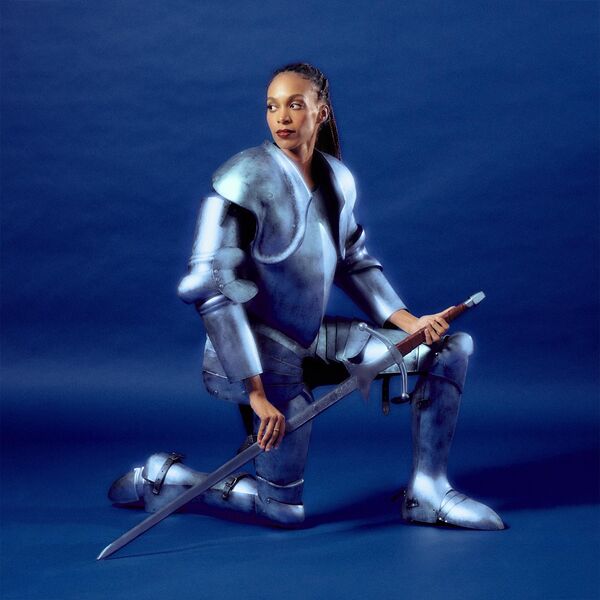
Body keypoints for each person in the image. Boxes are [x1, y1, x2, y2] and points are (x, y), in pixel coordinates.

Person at [108, 63, 504, 530]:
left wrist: (410, 323)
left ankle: (427, 491)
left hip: (313, 337)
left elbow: (354, 261)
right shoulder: (241, 179)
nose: (282, 117)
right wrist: (256, 394)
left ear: (321, 112)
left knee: (448, 349)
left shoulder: (337, 178)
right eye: (272, 106)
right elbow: (210, 289)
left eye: (295, 105)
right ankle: (168, 479)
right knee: (282, 510)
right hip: (260, 353)